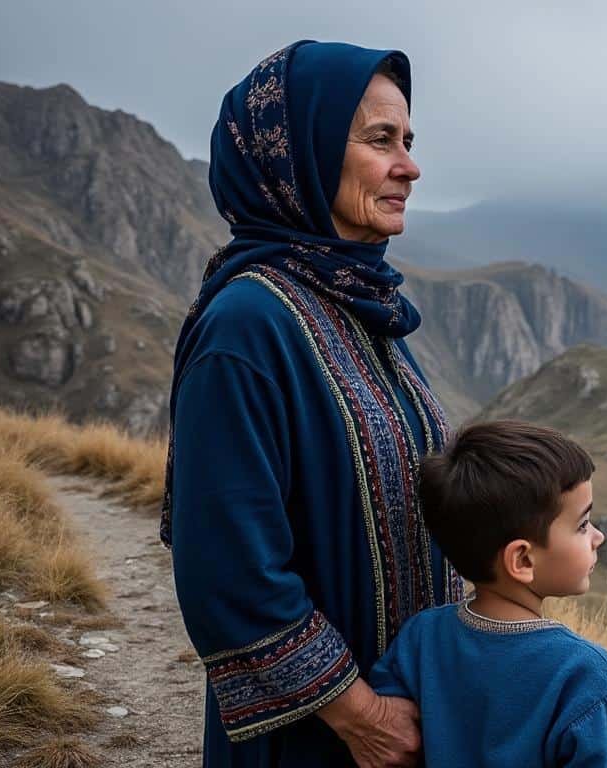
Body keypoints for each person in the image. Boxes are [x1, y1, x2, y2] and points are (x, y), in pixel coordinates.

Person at [163, 40, 463, 768]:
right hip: (314, 742)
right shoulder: (247, 327)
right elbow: (228, 569)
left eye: (410, 141)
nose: (410, 167)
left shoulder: (364, 306)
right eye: (380, 140)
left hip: (405, 723)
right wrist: (360, 716)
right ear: (300, 153)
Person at [366, 420, 607, 767]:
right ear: (523, 559)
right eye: (583, 525)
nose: (598, 536)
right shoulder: (584, 675)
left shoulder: (421, 638)